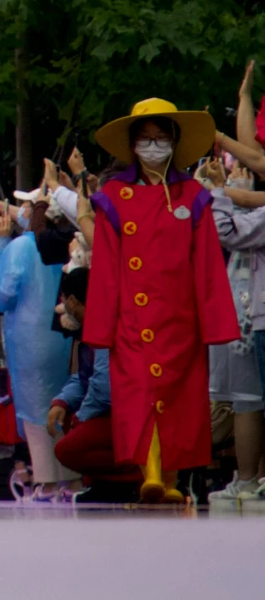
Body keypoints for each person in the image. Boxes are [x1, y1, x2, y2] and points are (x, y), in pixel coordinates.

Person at [84, 96, 241, 502]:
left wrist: (216, 323)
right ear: (133, 143)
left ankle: (168, 481)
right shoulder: (114, 197)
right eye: (146, 138)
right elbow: (104, 269)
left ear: (173, 141)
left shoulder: (193, 195)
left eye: (161, 137)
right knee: (138, 396)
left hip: (180, 318)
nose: (153, 145)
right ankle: (151, 473)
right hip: (132, 319)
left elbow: (207, 264)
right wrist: (102, 326)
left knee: (178, 400)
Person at [0, 178, 72, 496]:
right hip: (62, 338)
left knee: (35, 412)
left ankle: (45, 483)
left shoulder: (19, 247)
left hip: (30, 342)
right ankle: (70, 480)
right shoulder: (64, 242)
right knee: (63, 404)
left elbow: (1, 294)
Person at [208, 152, 265, 509]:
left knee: (248, 402)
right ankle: (255, 479)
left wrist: (218, 191)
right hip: (254, 315)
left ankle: (247, 481)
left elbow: (226, 231)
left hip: (255, 316)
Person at [46, 266, 132, 492]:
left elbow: (105, 385)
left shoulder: (106, 325)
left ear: (72, 301)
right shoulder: (93, 327)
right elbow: (86, 376)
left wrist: (81, 417)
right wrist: (62, 401)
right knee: (67, 418)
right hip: (114, 413)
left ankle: (136, 476)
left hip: (127, 414)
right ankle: (102, 482)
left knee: (67, 449)